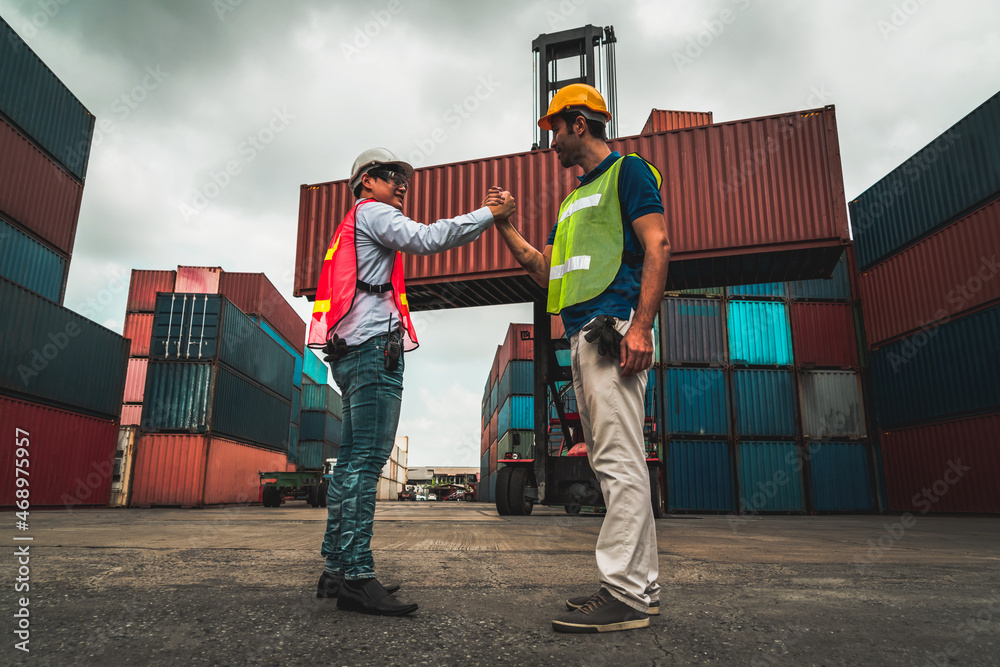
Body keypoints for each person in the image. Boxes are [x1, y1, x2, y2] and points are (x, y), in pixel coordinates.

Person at [493, 84, 671, 633]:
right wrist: (505, 223)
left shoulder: (630, 173)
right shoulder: (572, 202)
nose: (550, 142)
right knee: (609, 463)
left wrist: (641, 327)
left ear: (577, 122)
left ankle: (625, 595)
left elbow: (659, 245)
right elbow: (545, 270)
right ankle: (639, 585)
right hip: (582, 338)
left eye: (553, 130)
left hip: (613, 332)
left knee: (619, 462)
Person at [308, 147, 515, 616]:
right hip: (371, 354)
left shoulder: (350, 227)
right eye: (388, 175)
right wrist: (491, 213)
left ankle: (337, 569)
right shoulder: (373, 213)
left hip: (349, 352)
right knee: (365, 462)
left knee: (349, 465)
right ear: (365, 182)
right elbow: (429, 238)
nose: (401, 183)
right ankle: (358, 577)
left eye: (403, 177)